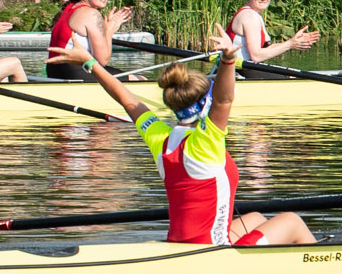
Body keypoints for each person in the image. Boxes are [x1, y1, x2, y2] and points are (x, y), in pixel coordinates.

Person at [56, 27, 316, 245]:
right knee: (292, 220)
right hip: (211, 250)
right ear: (205, 103)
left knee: (256, 217)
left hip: (179, 243)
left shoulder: (161, 138)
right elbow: (224, 99)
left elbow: (128, 99)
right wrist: (227, 60)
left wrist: (89, 62)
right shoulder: (206, 142)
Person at [43, 0, 133, 81]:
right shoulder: (91, 14)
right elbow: (102, 60)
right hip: (76, 72)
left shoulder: (67, 9)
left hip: (54, 71)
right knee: (139, 78)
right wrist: (109, 31)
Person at [228, 0, 320, 66]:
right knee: (290, 77)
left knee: (289, 76)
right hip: (240, 71)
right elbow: (256, 56)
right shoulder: (250, 16)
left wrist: (295, 42)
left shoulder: (254, 15)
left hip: (249, 69)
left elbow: (268, 48)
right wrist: (290, 44)